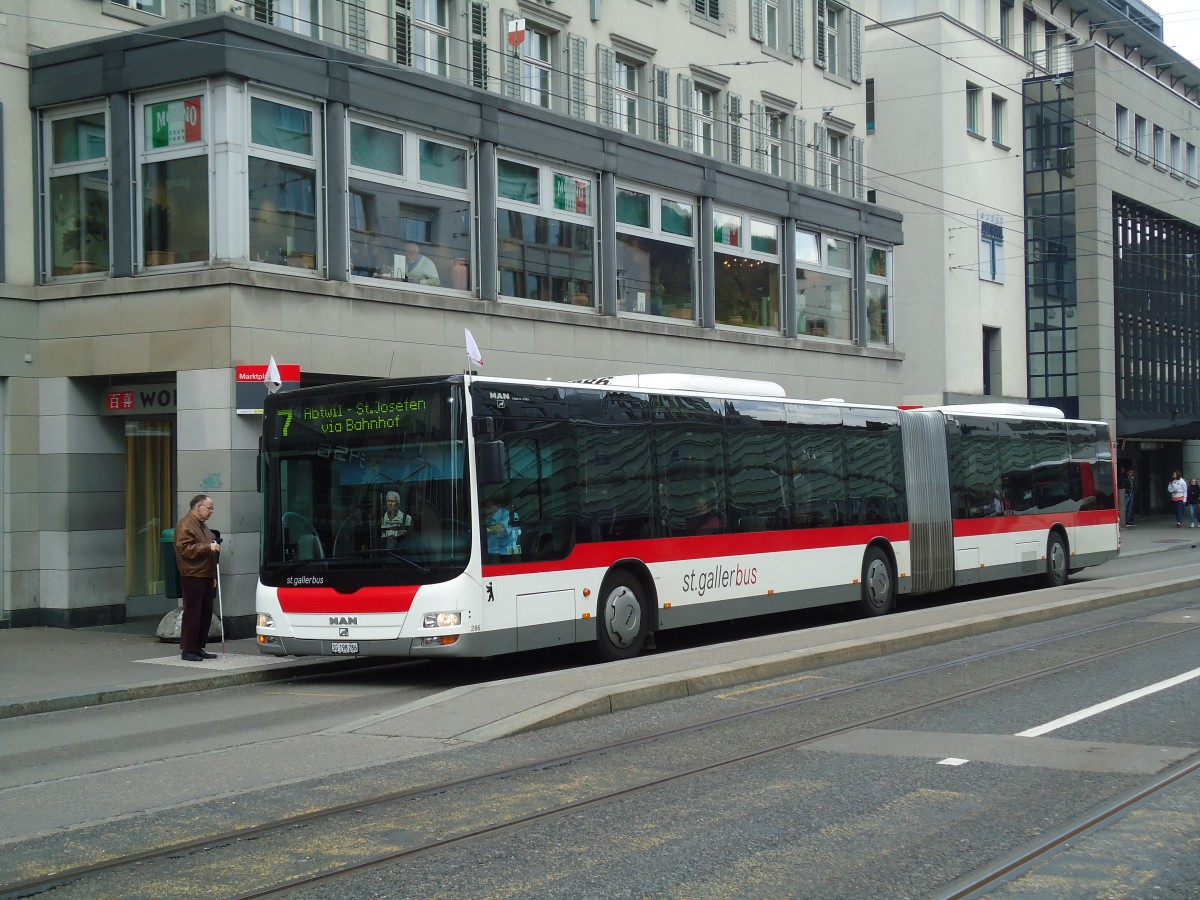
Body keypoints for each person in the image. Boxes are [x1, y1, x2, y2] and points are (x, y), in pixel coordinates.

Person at [173, 494, 220, 662]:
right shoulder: (185, 525)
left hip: (205, 574)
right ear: (198, 507)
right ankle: (188, 648)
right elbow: (184, 549)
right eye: (209, 508)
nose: (211, 511)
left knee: (205, 612)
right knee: (193, 612)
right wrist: (208, 547)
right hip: (192, 574)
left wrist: (212, 575)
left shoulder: (201, 525)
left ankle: (198, 646)